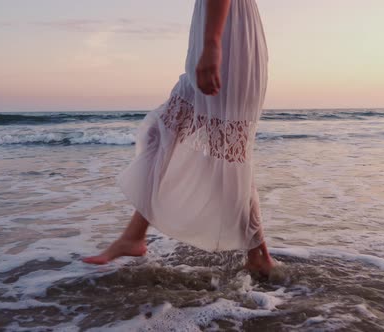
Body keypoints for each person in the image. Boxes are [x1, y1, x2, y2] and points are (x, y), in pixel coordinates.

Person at [82, 0, 274, 275]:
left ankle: (259, 255)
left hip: (228, 45)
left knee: (228, 155)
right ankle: (134, 236)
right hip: (225, 38)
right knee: (168, 136)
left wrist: (212, 44)